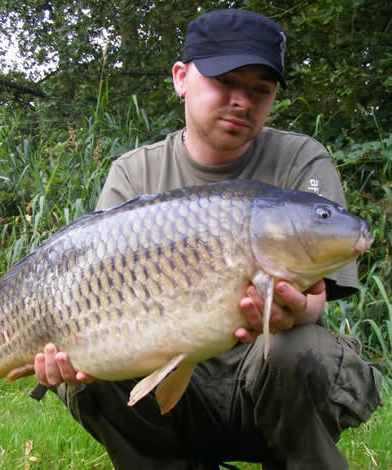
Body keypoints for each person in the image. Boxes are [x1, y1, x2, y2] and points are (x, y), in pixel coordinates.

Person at [30, 9, 382, 470]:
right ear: (181, 78)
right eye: (226, 82)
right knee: (85, 370)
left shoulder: (301, 160)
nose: (242, 101)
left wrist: (297, 311)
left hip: (265, 377)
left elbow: (317, 299)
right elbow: (88, 292)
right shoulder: (134, 173)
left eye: (261, 90)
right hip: (173, 387)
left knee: (300, 346)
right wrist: (64, 358)